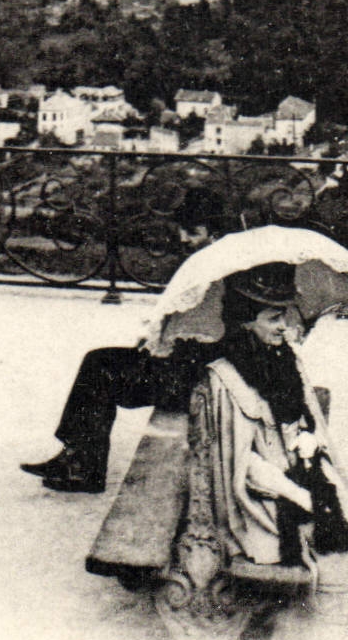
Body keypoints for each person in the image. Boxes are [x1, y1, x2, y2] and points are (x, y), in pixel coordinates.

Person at [20, 186, 228, 493]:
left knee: (101, 368)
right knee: (101, 361)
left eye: (193, 232)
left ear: (214, 234)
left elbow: (198, 330)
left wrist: (156, 342)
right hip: (190, 366)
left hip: (190, 376)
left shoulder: (214, 269)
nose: (184, 239)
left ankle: (82, 466)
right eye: (183, 231)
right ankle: (76, 458)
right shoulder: (216, 262)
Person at [174, 263, 347, 585]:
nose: (284, 327)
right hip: (260, 496)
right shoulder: (226, 379)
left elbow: (305, 420)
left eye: (285, 316)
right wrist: (302, 496)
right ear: (246, 324)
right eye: (273, 318)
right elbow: (242, 462)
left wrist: (308, 438)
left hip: (300, 470)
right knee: (323, 551)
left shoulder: (286, 360)